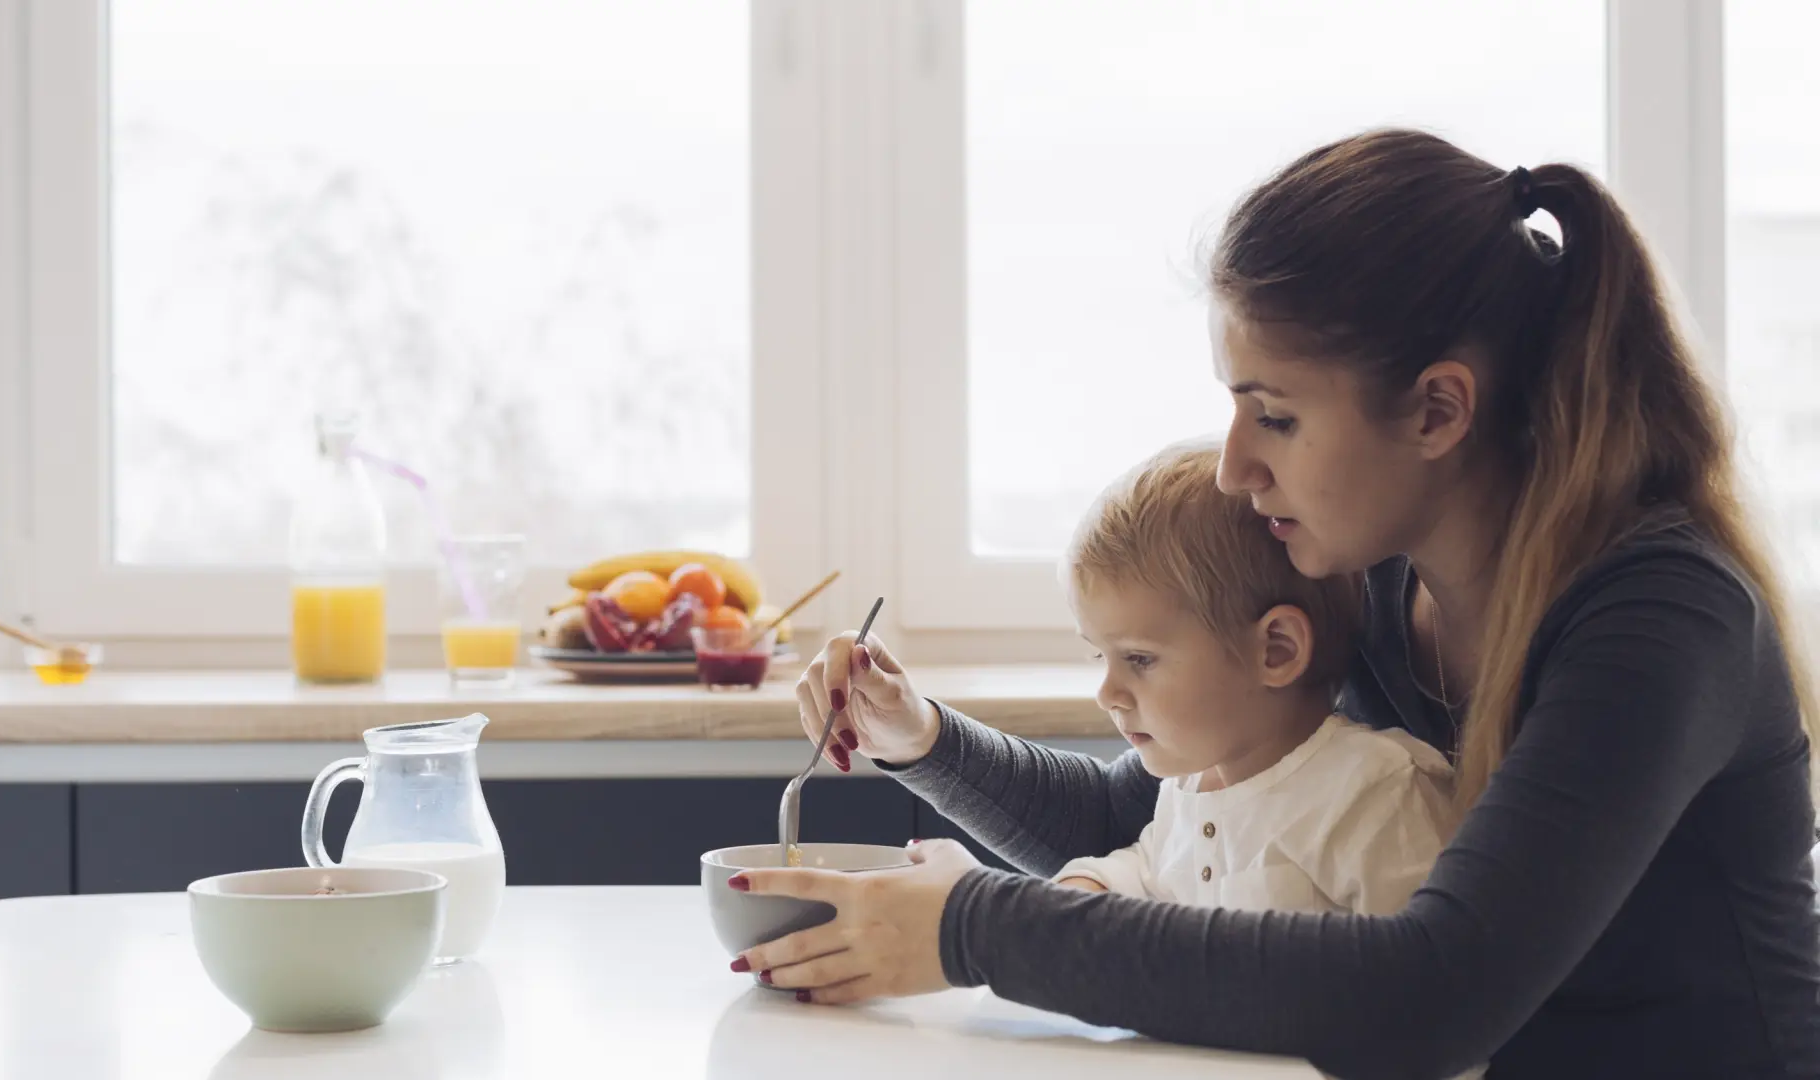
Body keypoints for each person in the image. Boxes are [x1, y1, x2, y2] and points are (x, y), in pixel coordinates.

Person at [726, 129, 1820, 1079]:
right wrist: (922, 743)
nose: (1234, 467)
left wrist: (972, 929)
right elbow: (1149, 819)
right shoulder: (1382, 587)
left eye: (1276, 417)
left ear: (1438, 409)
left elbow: (1434, 994)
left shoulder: (1660, 621)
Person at [1041, 444, 1459, 922]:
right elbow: (1153, 871)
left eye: (1139, 658)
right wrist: (1092, 883)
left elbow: (1429, 971)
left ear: (1276, 650)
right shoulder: (1189, 787)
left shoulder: (1378, 795)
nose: (1107, 694)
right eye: (1101, 656)